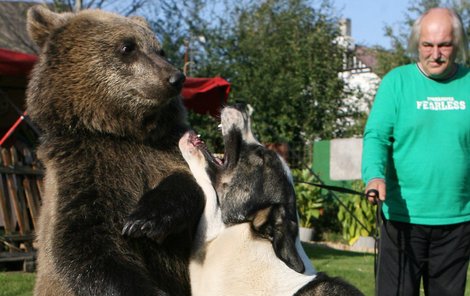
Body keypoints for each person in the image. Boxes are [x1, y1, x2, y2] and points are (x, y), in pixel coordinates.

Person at [362, 7, 470, 296]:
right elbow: (376, 136)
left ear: (457, 44)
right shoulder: (397, 83)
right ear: (417, 45)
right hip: (401, 222)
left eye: (444, 45)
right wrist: (374, 175)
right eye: (428, 45)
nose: (436, 54)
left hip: (457, 223)